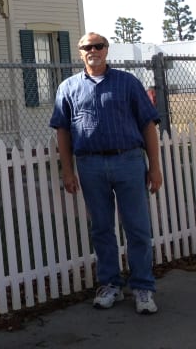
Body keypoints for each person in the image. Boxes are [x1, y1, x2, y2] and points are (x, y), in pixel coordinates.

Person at [50, 32, 162, 315]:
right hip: (90, 165)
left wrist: (155, 166)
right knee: (101, 228)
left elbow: (148, 124)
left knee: (137, 227)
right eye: (87, 47)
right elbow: (63, 131)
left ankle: (142, 288)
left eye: (98, 46)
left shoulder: (127, 83)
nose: (93, 50)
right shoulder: (68, 87)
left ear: (106, 50)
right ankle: (110, 285)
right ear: (80, 52)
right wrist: (67, 169)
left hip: (128, 162)